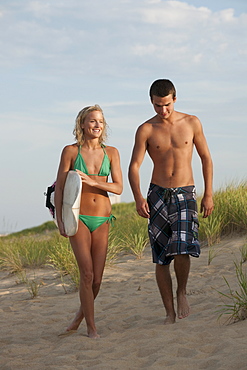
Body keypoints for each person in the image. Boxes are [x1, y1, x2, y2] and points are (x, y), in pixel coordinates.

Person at [128, 79, 213, 324]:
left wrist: (208, 194)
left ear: (175, 99)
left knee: (182, 248)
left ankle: (182, 291)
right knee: (161, 256)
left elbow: (206, 158)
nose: (162, 111)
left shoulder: (191, 122)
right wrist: (137, 197)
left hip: (185, 193)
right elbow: (134, 166)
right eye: (157, 106)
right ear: (151, 102)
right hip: (157, 194)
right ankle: (169, 312)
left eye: (166, 105)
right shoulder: (146, 129)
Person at [55, 104, 123, 338]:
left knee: (98, 280)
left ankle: (78, 316)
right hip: (78, 218)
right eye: (92, 121)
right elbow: (61, 187)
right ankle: (91, 328)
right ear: (82, 124)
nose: (97, 125)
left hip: (103, 218)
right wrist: (59, 220)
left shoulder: (111, 152)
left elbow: (118, 187)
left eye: (101, 122)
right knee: (86, 275)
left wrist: (93, 182)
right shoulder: (70, 152)